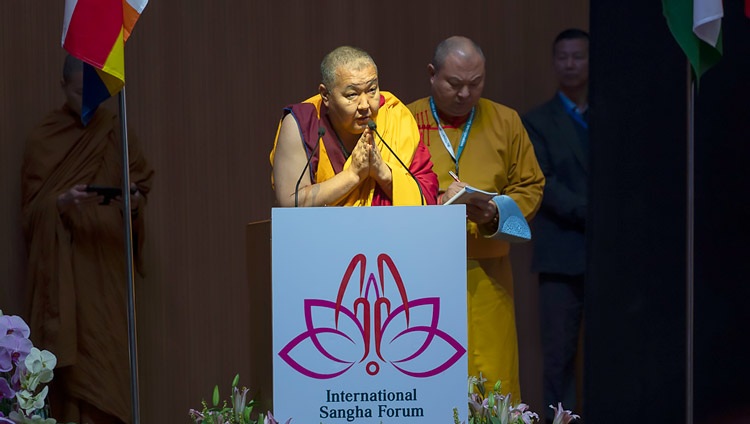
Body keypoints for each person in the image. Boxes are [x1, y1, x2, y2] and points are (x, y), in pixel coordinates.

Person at [407, 36, 545, 403]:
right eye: (455, 83)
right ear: (432, 74)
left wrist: (496, 211)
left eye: (476, 83)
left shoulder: (505, 120)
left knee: (492, 377)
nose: (466, 93)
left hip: (488, 273)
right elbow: (388, 185)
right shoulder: (405, 120)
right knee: (426, 372)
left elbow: (530, 184)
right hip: (423, 274)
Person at [21, 55, 154, 424]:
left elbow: (140, 188)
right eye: (78, 91)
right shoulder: (43, 139)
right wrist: (60, 203)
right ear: (62, 86)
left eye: (92, 93)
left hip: (106, 267)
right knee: (74, 369)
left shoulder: (115, 130)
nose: (85, 101)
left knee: (108, 364)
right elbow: (30, 216)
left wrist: (134, 200)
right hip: (68, 272)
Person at [270, 46, 438, 207]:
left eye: (372, 90)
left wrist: (384, 173)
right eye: (352, 94)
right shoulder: (303, 122)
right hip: (322, 235)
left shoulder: (395, 116)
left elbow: (427, 198)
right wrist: (352, 175)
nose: (365, 105)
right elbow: (290, 203)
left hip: (390, 234)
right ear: (325, 95)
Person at [521, 28, 589, 423]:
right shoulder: (537, 121)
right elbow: (543, 184)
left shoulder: (611, 115)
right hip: (560, 254)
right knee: (558, 356)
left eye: (578, 56)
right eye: (562, 57)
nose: (570, 64)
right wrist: (595, 211)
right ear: (554, 62)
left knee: (612, 350)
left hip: (609, 254)